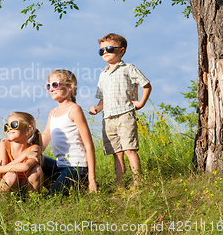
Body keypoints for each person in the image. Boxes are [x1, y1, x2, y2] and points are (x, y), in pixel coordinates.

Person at [89, 33, 152, 187]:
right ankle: (120, 185)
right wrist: (97, 108)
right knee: (117, 153)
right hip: (108, 117)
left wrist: (141, 103)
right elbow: (103, 98)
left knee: (129, 148)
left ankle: (138, 182)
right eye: (101, 50)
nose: (105, 52)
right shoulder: (103, 74)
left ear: (121, 50)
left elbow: (146, 85)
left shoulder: (128, 68)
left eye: (109, 49)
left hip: (125, 114)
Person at [41, 69, 97, 196]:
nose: (51, 89)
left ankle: (75, 185)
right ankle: (53, 187)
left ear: (69, 86)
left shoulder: (74, 110)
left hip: (76, 168)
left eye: (55, 84)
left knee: (51, 201)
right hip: (59, 166)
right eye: (48, 85)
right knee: (36, 159)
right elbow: (44, 139)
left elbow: (89, 145)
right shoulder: (53, 112)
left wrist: (91, 180)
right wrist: (28, 152)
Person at [0, 111, 43, 194]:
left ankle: (31, 204)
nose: (9, 128)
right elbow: (2, 175)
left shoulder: (34, 148)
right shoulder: (5, 145)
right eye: (7, 126)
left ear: (28, 129)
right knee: (11, 175)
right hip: (10, 184)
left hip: (27, 185)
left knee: (37, 170)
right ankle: (6, 205)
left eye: (14, 125)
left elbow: (26, 167)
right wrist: (24, 156)